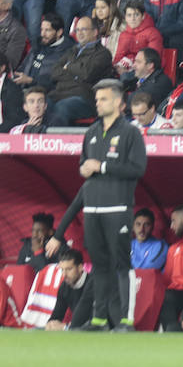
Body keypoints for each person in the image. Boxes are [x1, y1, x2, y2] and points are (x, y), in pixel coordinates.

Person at [43, 79, 145, 331]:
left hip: (118, 209)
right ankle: (99, 318)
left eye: (104, 99)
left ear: (120, 103)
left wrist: (102, 166)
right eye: (97, 99)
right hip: (92, 211)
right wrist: (88, 168)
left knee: (122, 264)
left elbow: (137, 168)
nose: (98, 103)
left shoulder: (131, 132)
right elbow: (83, 167)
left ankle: (126, 320)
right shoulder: (90, 132)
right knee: (99, 265)